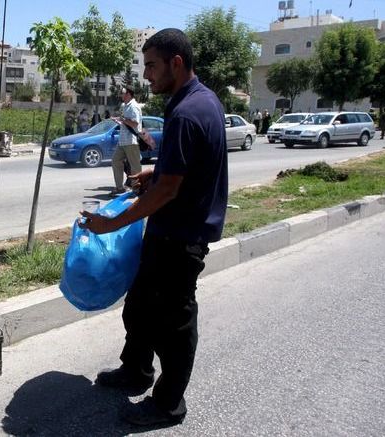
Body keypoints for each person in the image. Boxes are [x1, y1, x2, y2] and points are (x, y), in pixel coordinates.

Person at [80, 28, 228, 428]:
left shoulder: (186, 112)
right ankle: (136, 371)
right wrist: (153, 171)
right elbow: (181, 170)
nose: (146, 76)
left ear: (175, 64)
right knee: (140, 306)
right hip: (169, 232)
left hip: (182, 237)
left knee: (175, 326)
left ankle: (167, 405)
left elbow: (168, 191)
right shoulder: (200, 100)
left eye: (151, 66)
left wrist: (111, 224)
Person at [110, 86, 143, 196]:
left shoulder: (134, 106)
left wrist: (122, 119)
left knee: (135, 167)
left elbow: (135, 123)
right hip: (123, 140)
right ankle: (120, 188)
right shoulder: (125, 106)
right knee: (115, 161)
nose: (121, 95)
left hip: (131, 140)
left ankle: (137, 188)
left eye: (123, 93)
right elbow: (126, 123)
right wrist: (118, 121)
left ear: (128, 94)